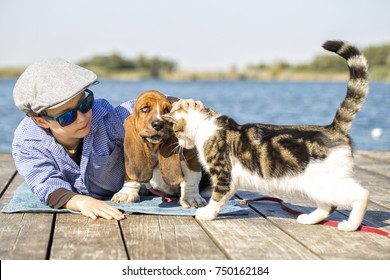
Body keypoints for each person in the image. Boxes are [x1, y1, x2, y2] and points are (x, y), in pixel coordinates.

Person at [12, 58, 203, 221]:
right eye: (67, 117)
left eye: (85, 104)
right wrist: (81, 202)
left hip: (130, 189)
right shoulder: (28, 143)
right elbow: (44, 183)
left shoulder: (104, 117)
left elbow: (138, 110)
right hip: (79, 198)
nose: (82, 117)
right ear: (41, 121)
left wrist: (177, 103)